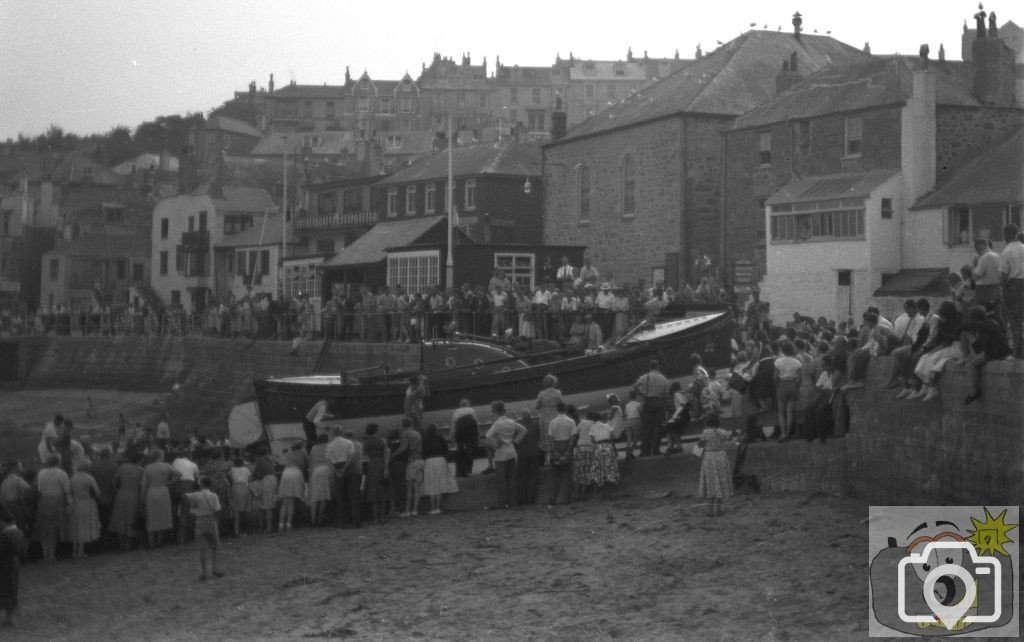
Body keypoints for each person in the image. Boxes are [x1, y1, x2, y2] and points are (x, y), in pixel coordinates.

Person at [961, 305, 1012, 405]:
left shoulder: (984, 325)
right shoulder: (990, 322)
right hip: (997, 350)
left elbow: (987, 346)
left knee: (970, 365)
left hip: (994, 353)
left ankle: (974, 393)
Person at [485, 401, 526, 510]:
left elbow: (488, 436)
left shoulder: (497, 424)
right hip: (512, 451)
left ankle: (503, 503)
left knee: (502, 480)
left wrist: (495, 446)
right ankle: (513, 502)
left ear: (494, 412)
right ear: (504, 411)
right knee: (512, 478)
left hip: (501, 454)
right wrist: (515, 441)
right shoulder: (511, 422)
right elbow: (523, 430)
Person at [184, 477, 224, 582]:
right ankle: (215, 568)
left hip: (199, 522)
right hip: (211, 521)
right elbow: (217, 510)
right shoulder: (213, 496)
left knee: (202, 550)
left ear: (201, 485)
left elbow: (184, 496)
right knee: (215, 546)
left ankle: (203, 572)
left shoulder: (195, 495)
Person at [34, 455, 70, 562]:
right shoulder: (61, 473)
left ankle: (45, 553)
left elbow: (39, 488)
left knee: (44, 528)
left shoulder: (41, 473)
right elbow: (67, 489)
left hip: (44, 500)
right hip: (57, 500)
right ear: (58, 462)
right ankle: (52, 554)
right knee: (54, 528)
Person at [697, 415, 734, 517]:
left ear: (707, 423)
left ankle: (709, 510)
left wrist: (699, 449)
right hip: (720, 456)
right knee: (720, 482)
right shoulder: (721, 431)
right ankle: (718, 510)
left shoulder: (705, 432)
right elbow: (730, 437)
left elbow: (700, 444)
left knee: (710, 483)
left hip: (709, 457)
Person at [141, 449, 178, 548]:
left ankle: (151, 542)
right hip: (163, 491)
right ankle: (159, 541)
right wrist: (170, 482)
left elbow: (144, 485)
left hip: (151, 491)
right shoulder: (166, 466)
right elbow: (178, 474)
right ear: (160, 456)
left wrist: (142, 497)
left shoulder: (147, 467)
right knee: (162, 516)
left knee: (152, 517)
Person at [108, 452, 144, 551]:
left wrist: (116, 489)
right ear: (140, 460)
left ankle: (121, 543)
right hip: (134, 494)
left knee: (121, 518)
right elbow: (142, 485)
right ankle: (128, 544)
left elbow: (115, 479)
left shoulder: (123, 466)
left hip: (121, 493)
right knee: (131, 519)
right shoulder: (141, 470)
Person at [633, 360, 670, 456]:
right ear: (658, 367)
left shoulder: (645, 377)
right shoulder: (664, 379)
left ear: (649, 367)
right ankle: (656, 450)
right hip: (659, 403)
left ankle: (645, 451)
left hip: (648, 403)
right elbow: (666, 395)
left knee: (646, 429)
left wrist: (641, 394)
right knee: (657, 428)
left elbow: (635, 386)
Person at [420, 424, 457, 515]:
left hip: (429, 461)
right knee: (440, 483)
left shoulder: (424, 439)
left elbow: (422, 451)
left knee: (431, 484)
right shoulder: (440, 438)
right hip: (440, 460)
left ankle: (432, 508)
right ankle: (438, 507)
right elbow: (445, 449)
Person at [68, 463, 101, 559]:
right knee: (84, 526)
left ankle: (74, 551)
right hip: (87, 503)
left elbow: (69, 492)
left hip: (75, 503)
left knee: (76, 527)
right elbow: (97, 492)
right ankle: (81, 551)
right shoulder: (89, 478)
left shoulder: (72, 478)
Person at [0, 507, 26, 627]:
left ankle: (8, 617)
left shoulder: (5, 535)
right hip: (15, 564)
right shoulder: (19, 533)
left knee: (5, 589)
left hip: (5, 564)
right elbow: (22, 551)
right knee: (12, 588)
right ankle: (10, 617)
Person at [391, 418, 423, 518]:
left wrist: (393, 454)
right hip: (420, 460)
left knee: (409, 487)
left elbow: (403, 447)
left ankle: (407, 510)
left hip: (412, 461)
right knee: (417, 488)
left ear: (403, 425)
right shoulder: (417, 433)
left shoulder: (405, 434)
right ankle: (415, 510)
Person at [1000, 223, 1024, 357]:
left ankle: (1018, 350)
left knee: (1015, 320)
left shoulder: (1007, 251)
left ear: (1006, 235)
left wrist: (1002, 288)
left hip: (1013, 286)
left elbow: (1003, 275)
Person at [547, 402, 576, 506]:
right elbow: (572, 437)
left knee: (555, 477)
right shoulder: (571, 421)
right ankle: (566, 499)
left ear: (557, 410)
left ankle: (553, 499)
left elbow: (550, 437)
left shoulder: (552, 422)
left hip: (556, 445)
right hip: (566, 444)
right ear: (565, 410)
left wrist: (554, 451)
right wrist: (568, 450)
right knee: (567, 476)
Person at [773, 342, 802, 441]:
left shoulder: (778, 361)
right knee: (789, 412)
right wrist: (796, 386)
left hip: (782, 385)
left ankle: (783, 433)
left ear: (783, 350)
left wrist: (777, 385)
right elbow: (799, 378)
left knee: (781, 412)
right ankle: (789, 432)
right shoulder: (797, 362)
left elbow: (775, 377)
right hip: (793, 384)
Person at [276, 444, 308, 532]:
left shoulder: (288, 454)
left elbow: (281, 463)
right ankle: (289, 524)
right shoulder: (303, 453)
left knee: (285, 501)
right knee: (291, 502)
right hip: (296, 472)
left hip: (286, 473)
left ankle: (281, 525)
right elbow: (306, 464)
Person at [362, 424, 389, 523]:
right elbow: (386, 454)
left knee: (373, 492)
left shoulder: (366, 443)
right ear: (376, 431)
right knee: (382, 491)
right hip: (381, 464)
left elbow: (364, 455)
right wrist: (386, 468)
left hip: (371, 465)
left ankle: (375, 518)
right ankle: (382, 517)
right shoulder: (382, 441)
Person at [589, 412, 620, 498]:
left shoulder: (592, 428)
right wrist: (615, 451)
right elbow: (612, 437)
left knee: (598, 469)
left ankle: (598, 494)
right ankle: (609, 492)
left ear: (593, 420)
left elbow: (592, 441)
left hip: (599, 447)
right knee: (609, 468)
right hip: (608, 447)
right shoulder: (607, 426)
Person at [534, 375, 562, 465]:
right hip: (555, 416)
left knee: (545, 437)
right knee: (556, 436)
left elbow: (537, 406)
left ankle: (547, 459)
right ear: (554, 383)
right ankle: (557, 457)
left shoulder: (541, 394)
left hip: (544, 418)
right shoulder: (558, 393)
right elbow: (561, 404)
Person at [306, 435, 332, 527]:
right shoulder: (329, 446)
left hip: (316, 471)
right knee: (324, 496)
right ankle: (320, 519)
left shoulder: (313, 448)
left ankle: (312, 520)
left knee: (315, 497)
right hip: (326, 470)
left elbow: (311, 462)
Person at [252, 447, 277, 534]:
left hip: (267, 481)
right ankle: (267, 526)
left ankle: (268, 528)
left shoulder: (259, 460)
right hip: (273, 480)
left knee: (267, 506)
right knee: (269, 504)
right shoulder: (269, 459)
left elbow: (254, 473)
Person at [451, 400, 478, 478]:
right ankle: (469, 470)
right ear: (467, 404)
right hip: (470, 433)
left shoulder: (456, 411)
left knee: (460, 452)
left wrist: (453, 439)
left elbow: (454, 425)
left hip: (460, 433)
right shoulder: (471, 410)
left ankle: (460, 471)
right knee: (470, 451)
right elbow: (475, 423)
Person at [228, 456, 252, 536]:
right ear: (242, 464)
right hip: (245, 487)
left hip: (235, 487)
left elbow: (229, 477)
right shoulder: (246, 469)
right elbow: (249, 478)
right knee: (246, 510)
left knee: (236, 511)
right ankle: (247, 530)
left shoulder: (232, 470)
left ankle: (237, 531)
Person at [622, 391, 643, 460]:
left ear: (629, 397)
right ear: (636, 396)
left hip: (628, 421)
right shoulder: (638, 404)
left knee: (629, 439)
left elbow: (626, 414)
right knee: (635, 438)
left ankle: (627, 454)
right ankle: (631, 452)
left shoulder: (627, 405)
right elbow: (641, 412)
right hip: (636, 420)